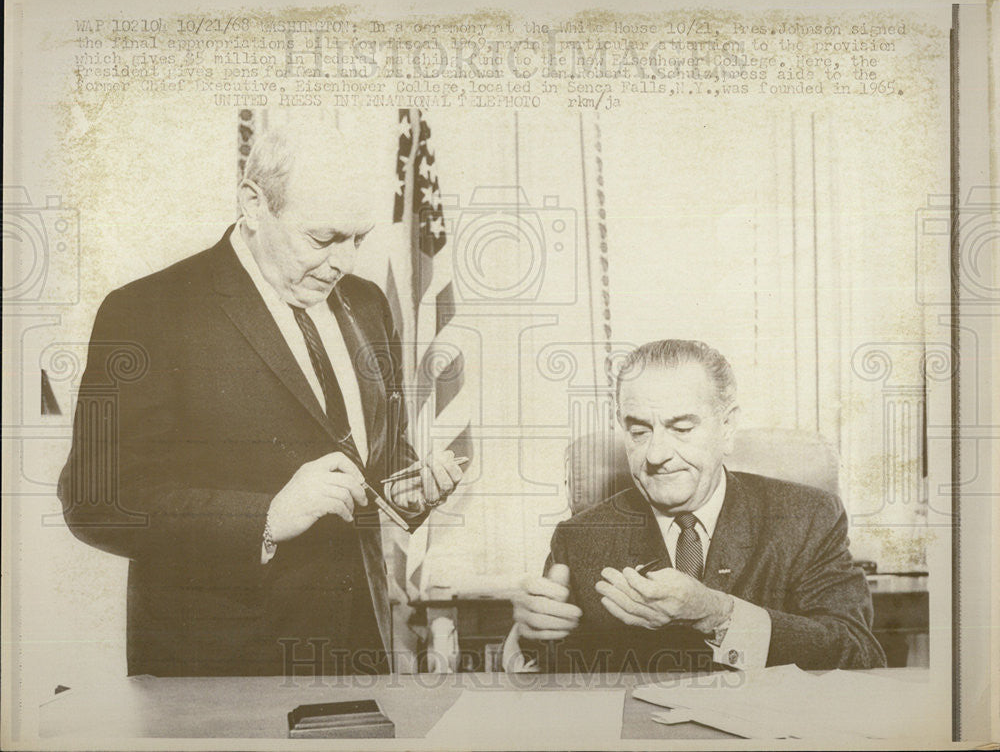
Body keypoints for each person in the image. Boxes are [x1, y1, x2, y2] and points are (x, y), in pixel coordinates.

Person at [58, 123, 464, 677]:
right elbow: (95, 500)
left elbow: (374, 453)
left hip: (357, 650)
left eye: (359, 239)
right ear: (253, 204)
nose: (343, 262)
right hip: (217, 668)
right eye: (323, 239)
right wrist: (266, 517)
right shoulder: (148, 311)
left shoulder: (366, 303)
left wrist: (408, 489)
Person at [506, 339, 885, 673]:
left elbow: (859, 655)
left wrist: (717, 614)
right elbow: (556, 671)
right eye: (638, 431)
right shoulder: (581, 537)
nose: (655, 455)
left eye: (682, 429)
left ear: (727, 427)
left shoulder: (807, 517)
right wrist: (532, 636)